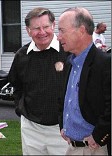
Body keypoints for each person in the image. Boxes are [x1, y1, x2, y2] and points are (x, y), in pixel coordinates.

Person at [8, 7, 69, 155]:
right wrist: (20, 108)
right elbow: (16, 86)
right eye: (36, 28)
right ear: (28, 30)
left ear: (53, 25)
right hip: (31, 128)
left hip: (62, 130)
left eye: (46, 27)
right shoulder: (21, 56)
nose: (42, 32)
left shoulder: (68, 51)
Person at [57, 7, 111, 155]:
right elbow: (64, 98)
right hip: (71, 148)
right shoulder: (69, 62)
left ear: (81, 31)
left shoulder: (105, 63)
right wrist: (63, 125)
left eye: (62, 31)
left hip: (94, 149)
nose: (58, 37)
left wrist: (99, 136)